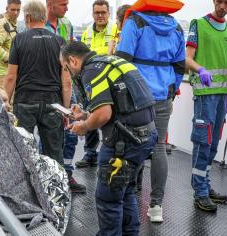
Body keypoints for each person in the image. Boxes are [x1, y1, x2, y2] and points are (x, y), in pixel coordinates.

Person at [61, 41, 157, 236]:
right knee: (126, 190)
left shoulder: (90, 70)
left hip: (123, 143)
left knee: (108, 198)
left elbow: (104, 114)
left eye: (65, 67)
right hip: (146, 137)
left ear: (73, 60)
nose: (67, 72)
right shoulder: (110, 61)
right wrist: (85, 114)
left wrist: (84, 126)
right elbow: (119, 106)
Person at [115, 2, 185, 222]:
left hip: (137, 96)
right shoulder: (176, 27)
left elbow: (122, 60)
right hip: (163, 95)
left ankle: (129, 197)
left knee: (133, 143)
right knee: (159, 147)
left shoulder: (134, 21)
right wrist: (171, 89)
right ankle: (156, 206)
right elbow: (180, 65)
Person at [4, 1, 71, 182]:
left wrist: (5, 103)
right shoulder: (59, 42)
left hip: (25, 101)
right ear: (43, 16)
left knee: (22, 150)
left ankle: (25, 190)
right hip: (53, 102)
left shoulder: (19, 40)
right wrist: (66, 110)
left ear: (28, 18)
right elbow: (66, 81)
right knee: (54, 153)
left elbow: (11, 76)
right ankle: (57, 193)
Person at [185, 0, 227, 212]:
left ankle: (205, 183)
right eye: (220, 1)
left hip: (222, 95)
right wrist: (201, 70)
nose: (223, 6)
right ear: (214, 1)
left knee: (213, 143)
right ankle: (200, 192)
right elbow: (187, 59)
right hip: (205, 94)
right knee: (202, 142)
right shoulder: (198, 24)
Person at [46, 0, 86, 193]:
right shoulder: (37, 24)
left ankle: (67, 175)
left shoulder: (66, 24)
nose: (67, 8)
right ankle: (49, 177)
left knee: (70, 132)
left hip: (68, 83)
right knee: (50, 134)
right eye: (63, 4)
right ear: (50, 4)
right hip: (49, 86)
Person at [75, 0, 118, 169]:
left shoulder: (116, 31)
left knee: (110, 120)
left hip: (110, 83)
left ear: (109, 13)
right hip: (91, 83)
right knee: (90, 116)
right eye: (97, 12)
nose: (100, 16)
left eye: (103, 12)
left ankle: (111, 153)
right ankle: (90, 154)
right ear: (93, 14)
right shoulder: (86, 33)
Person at [0, 0, 21, 88]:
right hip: (2, 76)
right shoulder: (2, 23)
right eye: (13, 10)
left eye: (18, 10)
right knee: (4, 101)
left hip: (8, 74)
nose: (16, 13)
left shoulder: (12, 24)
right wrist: (11, 59)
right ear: (7, 9)